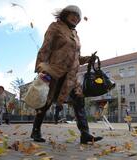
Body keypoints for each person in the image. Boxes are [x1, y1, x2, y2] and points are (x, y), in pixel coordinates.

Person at [31, 5, 103, 144]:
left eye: (78, 17)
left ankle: (85, 134)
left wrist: (88, 58)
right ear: (65, 14)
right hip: (55, 72)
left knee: (79, 102)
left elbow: (76, 57)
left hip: (71, 77)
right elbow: (45, 48)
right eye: (73, 15)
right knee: (46, 102)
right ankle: (36, 131)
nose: (76, 18)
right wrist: (40, 67)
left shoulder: (75, 34)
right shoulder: (55, 27)